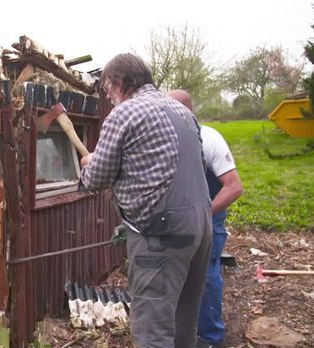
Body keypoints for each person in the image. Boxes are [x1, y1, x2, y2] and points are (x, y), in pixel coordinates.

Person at [80, 53, 212, 348]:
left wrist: (89, 164)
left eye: (107, 89)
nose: (108, 96)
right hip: (201, 227)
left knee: (153, 329)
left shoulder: (125, 113)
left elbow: (97, 178)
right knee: (182, 322)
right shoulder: (182, 112)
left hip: (162, 234)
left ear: (119, 83)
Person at [168, 90, 243, 348]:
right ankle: (182, 334)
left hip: (209, 217)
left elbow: (234, 187)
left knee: (207, 274)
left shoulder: (209, 139)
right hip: (177, 219)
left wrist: (202, 212)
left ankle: (211, 338)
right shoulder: (165, 139)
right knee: (177, 273)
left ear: (187, 113)